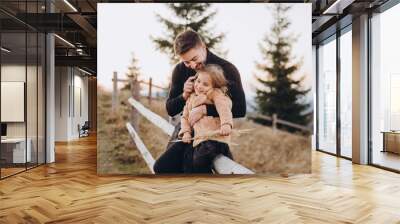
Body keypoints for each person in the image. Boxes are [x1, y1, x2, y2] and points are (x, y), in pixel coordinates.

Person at [153, 29, 246, 174]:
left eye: (195, 59)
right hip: (187, 129)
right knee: (162, 168)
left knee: (194, 170)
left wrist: (205, 110)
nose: (192, 65)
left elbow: (240, 109)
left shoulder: (227, 69)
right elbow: (170, 109)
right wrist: (184, 95)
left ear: (203, 46)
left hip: (210, 133)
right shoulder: (180, 70)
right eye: (186, 62)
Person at [179, 64, 234, 173]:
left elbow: (223, 107)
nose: (199, 86)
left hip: (216, 138)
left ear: (214, 86)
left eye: (205, 84)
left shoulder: (215, 94)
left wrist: (226, 124)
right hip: (200, 140)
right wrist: (186, 132)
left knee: (199, 160)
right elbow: (184, 117)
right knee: (190, 162)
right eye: (198, 81)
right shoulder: (191, 98)